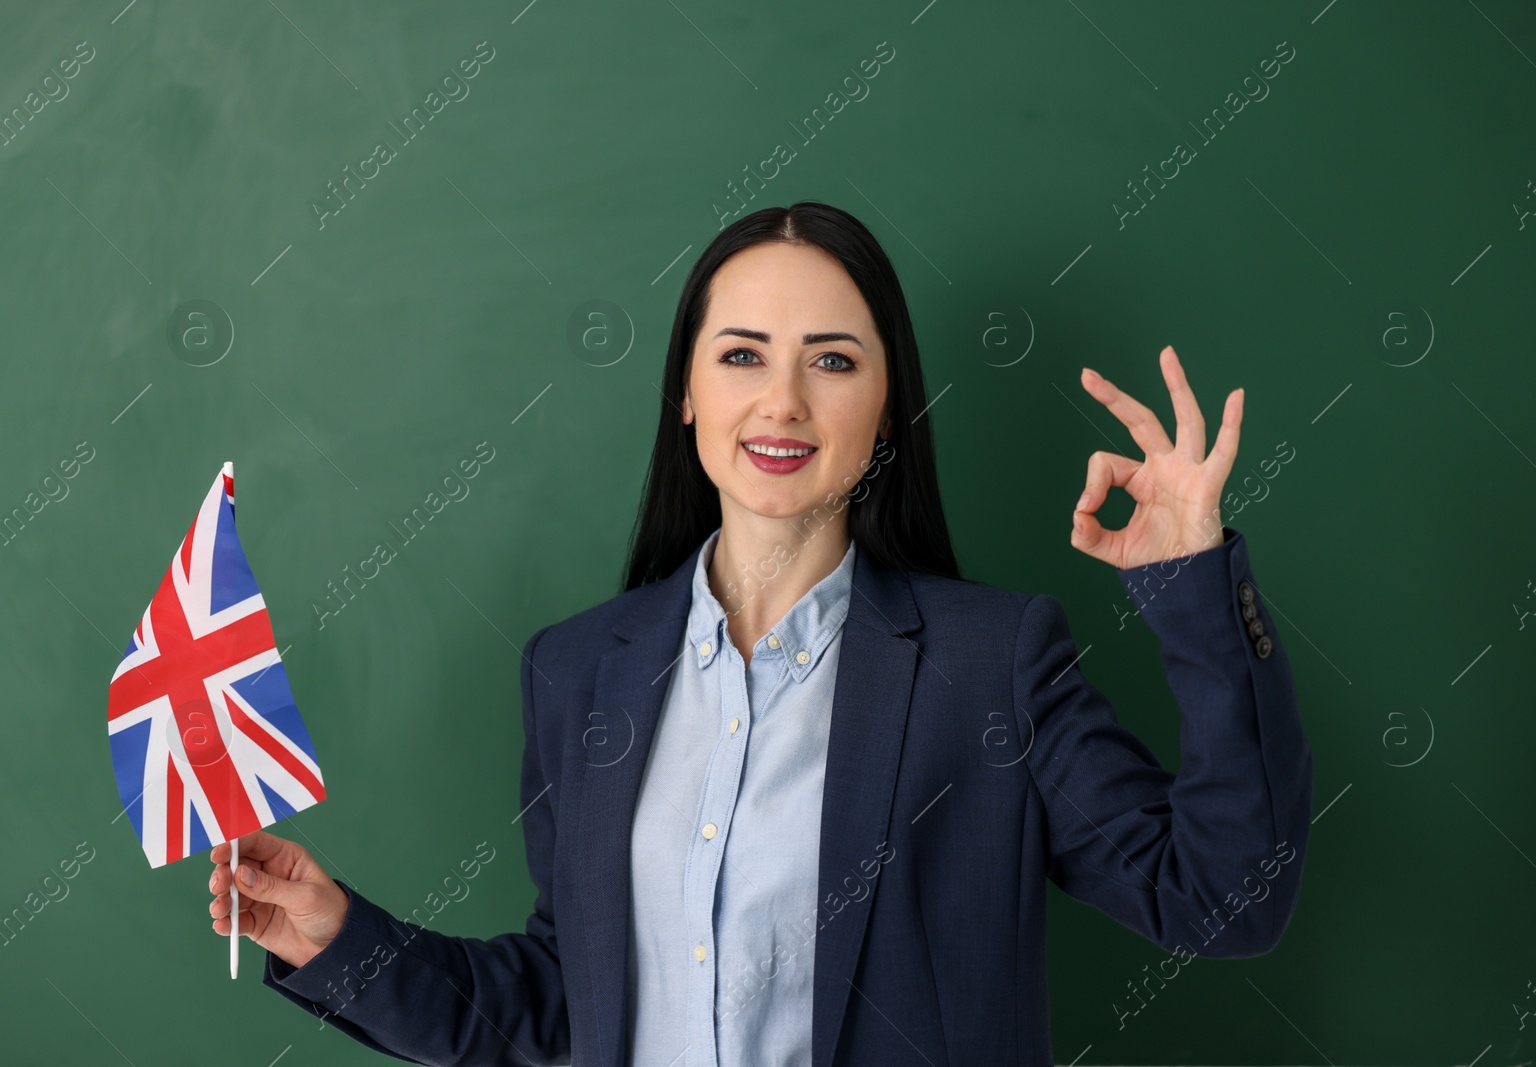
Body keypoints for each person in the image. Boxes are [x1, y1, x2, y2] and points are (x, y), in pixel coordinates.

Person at [206, 201, 1312, 1066]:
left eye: (831, 360)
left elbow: (1226, 897)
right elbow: (562, 997)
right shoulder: (578, 669)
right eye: (740, 354)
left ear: (885, 406)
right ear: (685, 390)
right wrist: (335, 933)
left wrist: (1192, 583)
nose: (781, 399)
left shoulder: (992, 663)